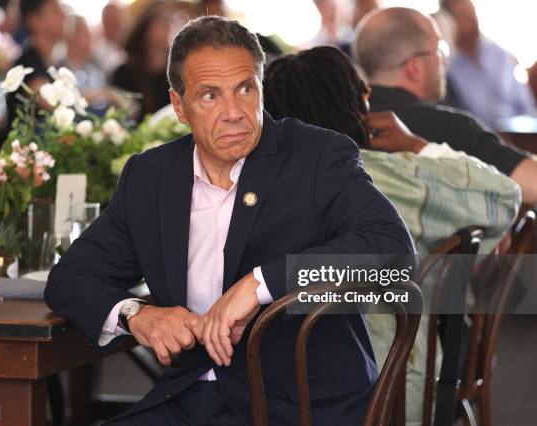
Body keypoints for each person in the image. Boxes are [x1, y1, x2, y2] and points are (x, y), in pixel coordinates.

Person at [45, 16, 415, 426]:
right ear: (179, 106)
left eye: (245, 89)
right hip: (188, 395)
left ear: (261, 89)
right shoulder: (152, 176)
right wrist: (137, 314)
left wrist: (259, 285)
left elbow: (393, 252)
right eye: (209, 96)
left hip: (301, 406)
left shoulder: (317, 156)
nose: (234, 112)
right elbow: (70, 279)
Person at [262, 45, 520, 425]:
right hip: (398, 391)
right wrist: (417, 145)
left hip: (279, 397)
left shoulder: (257, 189)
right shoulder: (397, 177)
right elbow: (503, 195)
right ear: (361, 100)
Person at [353, 7, 537, 204]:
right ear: (415, 68)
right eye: (440, 50)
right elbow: (532, 183)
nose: (445, 60)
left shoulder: (342, 121)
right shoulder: (450, 129)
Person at [441, 0, 535, 128]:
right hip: (477, 139)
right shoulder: (446, 65)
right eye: (463, 16)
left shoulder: (501, 55)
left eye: (472, 13)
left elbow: (525, 105)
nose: (472, 20)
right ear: (449, 21)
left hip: (517, 135)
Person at [5, 0, 66, 133]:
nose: (64, 15)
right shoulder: (25, 65)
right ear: (34, 20)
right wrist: (102, 94)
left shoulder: (58, 63)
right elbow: (52, 101)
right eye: (56, 11)